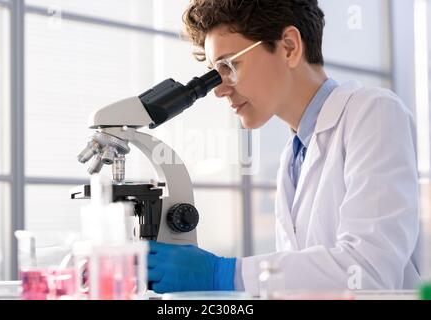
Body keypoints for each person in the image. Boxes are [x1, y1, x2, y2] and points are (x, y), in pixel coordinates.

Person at [147, 0, 421, 295]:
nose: (219, 90)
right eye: (214, 72)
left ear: (289, 47)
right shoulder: (293, 155)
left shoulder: (374, 112)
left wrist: (225, 274)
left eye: (228, 66)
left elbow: (368, 270)